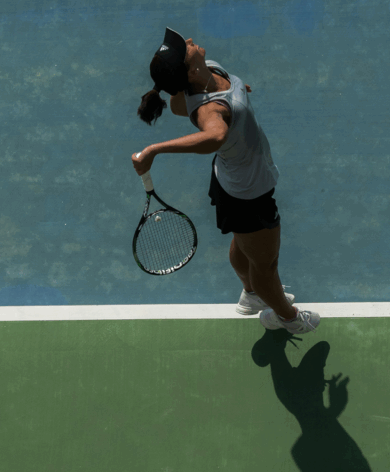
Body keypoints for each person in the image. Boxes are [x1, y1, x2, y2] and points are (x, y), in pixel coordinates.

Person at [132, 27, 320, 334]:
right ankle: (289, 319)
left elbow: (179, 105)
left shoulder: (207, 71)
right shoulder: (212, 110)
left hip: (231, 181)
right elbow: (215, 135)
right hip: (249, 192)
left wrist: (238, 92)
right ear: (190, 70)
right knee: (266, 267)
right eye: (185, 49)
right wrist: (154, 150)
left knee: (244, 245)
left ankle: (252, 295)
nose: (189, 41)